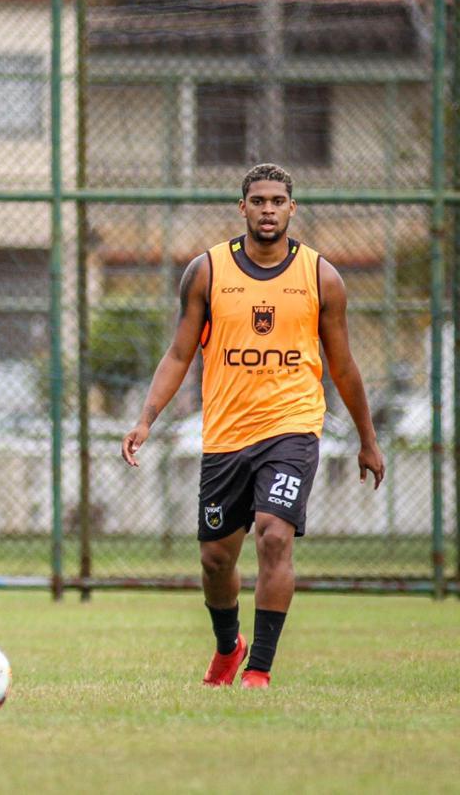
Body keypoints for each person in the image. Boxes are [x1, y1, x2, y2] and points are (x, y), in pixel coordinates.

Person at [121, 162, 385, 688]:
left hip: (293, 427)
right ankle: (228, 645)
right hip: (225, 435)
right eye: (258, 201)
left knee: (273, 536)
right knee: (217, 560)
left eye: (277, 201)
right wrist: (145, 419)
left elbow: (344, 366)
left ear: (293, 208)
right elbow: (179, 354)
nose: (268, 210)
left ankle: (258, 669)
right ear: (242, 208)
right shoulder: (208, 271)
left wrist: (367, 440)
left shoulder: (320, 276)